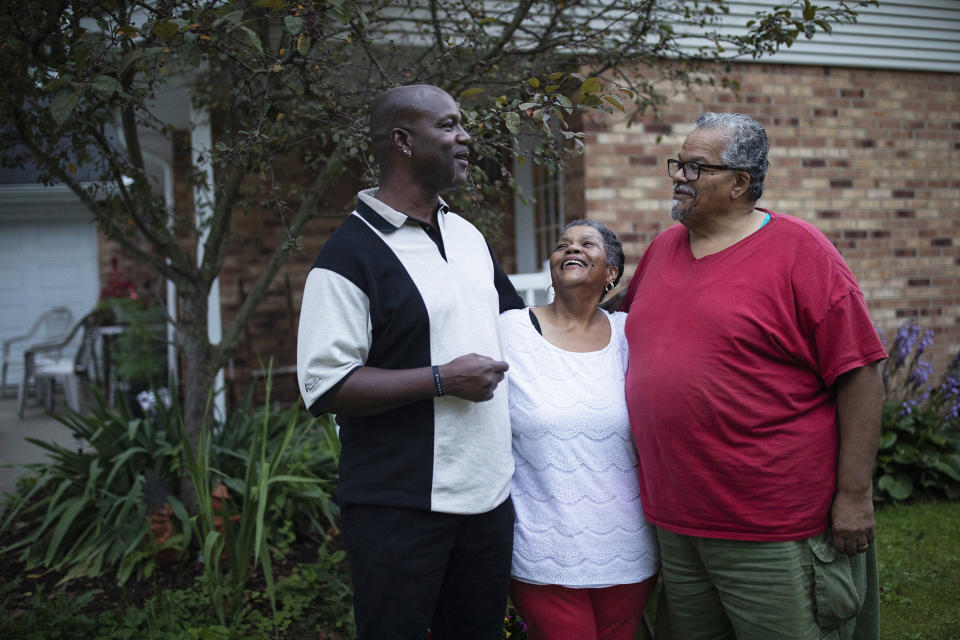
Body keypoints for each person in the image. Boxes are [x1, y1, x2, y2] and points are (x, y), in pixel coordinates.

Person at [621, 112, 887, 639]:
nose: (679, 176)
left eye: (696, 168)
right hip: (677, 521)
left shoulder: (800, 252)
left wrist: (854, 494)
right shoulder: (660, 252)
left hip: (772, 524)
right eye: (678, 164)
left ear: (740, 182)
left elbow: (861, 373)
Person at [296, 85, 524, 640]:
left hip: (488, 499)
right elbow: (325, 386)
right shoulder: (347, 257)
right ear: (402, 141)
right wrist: (443, 379)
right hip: (397, 508)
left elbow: (517, 325)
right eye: (448, 126)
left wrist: (608, 306)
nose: (465, 137)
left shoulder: (467, 235)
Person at [500, 219, 659, 640]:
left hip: (629, 549)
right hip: (542, 548)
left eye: (587, 244)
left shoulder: (632, 335)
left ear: (611, 273)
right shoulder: (509, 331)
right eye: (561, 245)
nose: (571, 249)